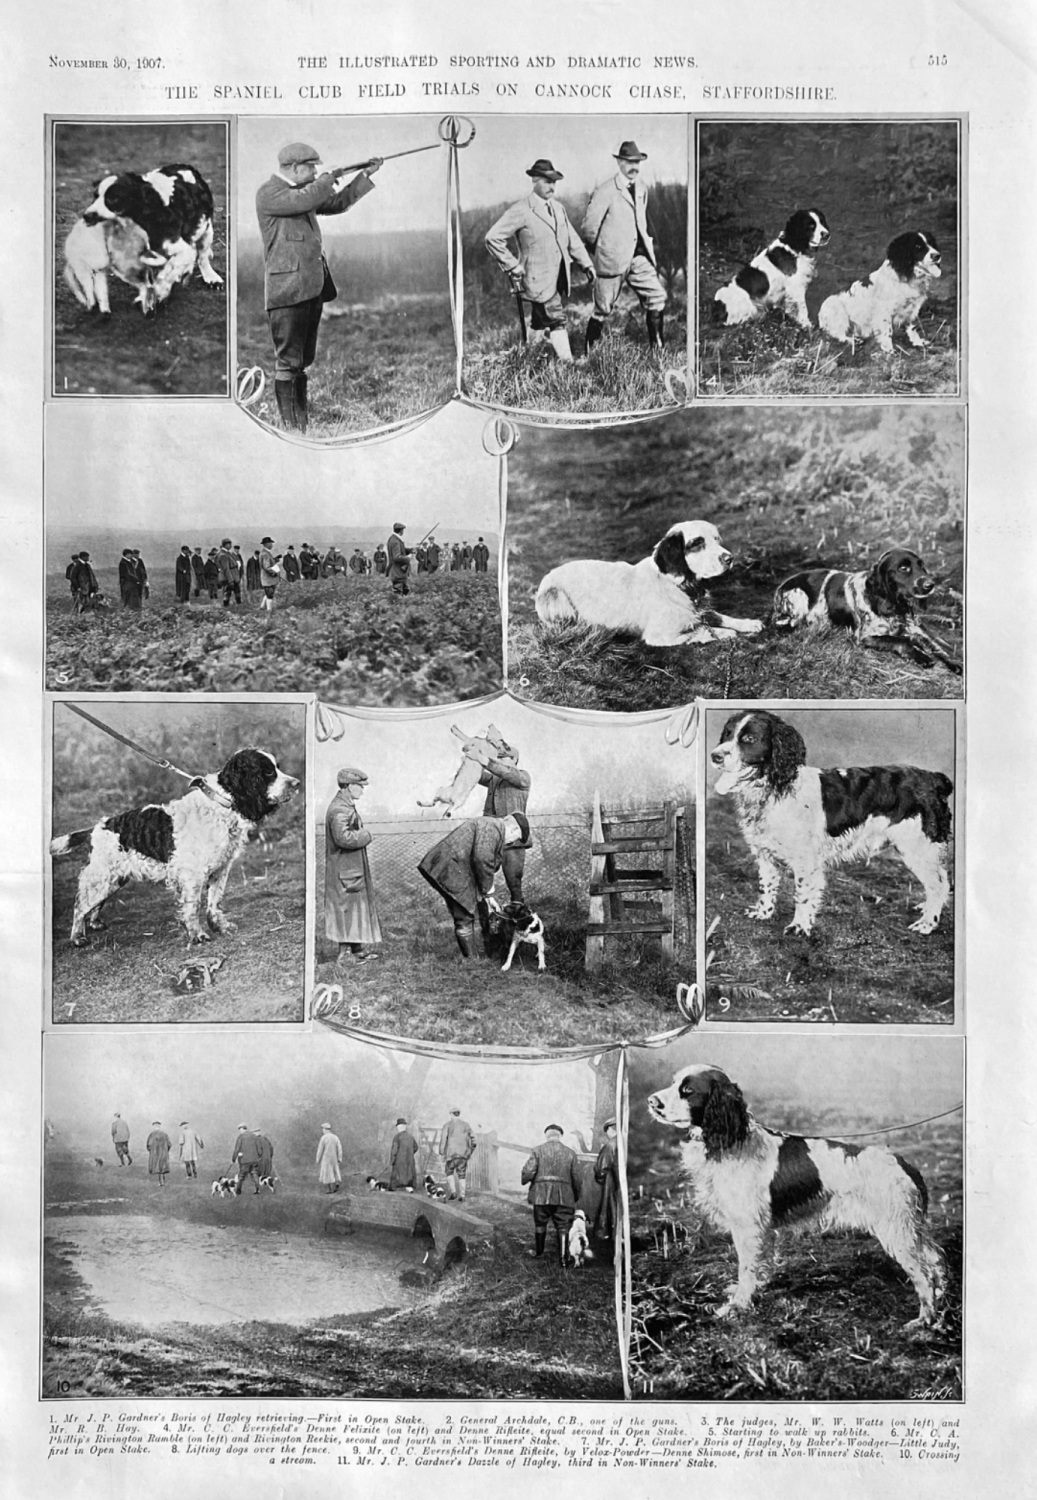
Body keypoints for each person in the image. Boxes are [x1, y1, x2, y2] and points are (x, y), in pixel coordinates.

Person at [255, 142, 383, 433]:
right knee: (288, 362)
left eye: (315, 168)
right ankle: (291, 429)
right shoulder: (270, 192)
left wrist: (363, 176)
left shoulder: (305, 192)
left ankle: (301, 424)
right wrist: (328, 178)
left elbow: (336, 203)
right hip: (286, 289)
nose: (314, 171)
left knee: (301, 361)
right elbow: (305, 199)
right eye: (310, 167)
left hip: (311, 286)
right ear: (294, 168)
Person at [485, 158, 596, 363]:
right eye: (546, 181)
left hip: (558, 278)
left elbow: (572, 239)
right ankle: (569, 365)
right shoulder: (521, 209)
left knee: (539, 321)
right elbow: (493, 238)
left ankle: (527, 358)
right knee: (556, 318)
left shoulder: (558, 208)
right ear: (534, 180)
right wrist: (512, 265)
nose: (551, 186)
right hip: (535, 279)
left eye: (554, 181)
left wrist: (587, 264)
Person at [582, 140, 668, 352]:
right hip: (612, 261)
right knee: (602, 310)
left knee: (657, 297)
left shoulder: (641, 188)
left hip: (638, 257)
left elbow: (641, 222)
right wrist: (602, 252)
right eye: (629, 162)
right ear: (619, 162)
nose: (634, 167)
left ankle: (657, 350)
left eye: (637, 162)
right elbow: (588, 229)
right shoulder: (605, 191)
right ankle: (589, 353)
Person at [417, 812, 533, 958]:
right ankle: (473, 962)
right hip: (449, 868)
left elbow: (479, 860)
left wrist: (488, 897)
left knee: (465, 913)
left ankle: (473, 959)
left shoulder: (491, 825)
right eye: (513, 840)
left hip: (447, 866)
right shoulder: (493, 827)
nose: (509, 843)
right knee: (464, 915)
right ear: (514, 829)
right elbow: (482, 859)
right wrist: (489, 893)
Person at [325, 767, 382, 965]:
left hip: (349, 869)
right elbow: (344, 839)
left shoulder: (345, 805)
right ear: (349, 787)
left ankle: (356, 949)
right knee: (346, 909)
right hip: (346, 870)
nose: (362, 790)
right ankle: (345, 955)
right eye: (359, 786)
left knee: (355, 908)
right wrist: (366, 835)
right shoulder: (340, 809)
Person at [468, 733, 531, 901]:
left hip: (513, 841)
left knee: (514, 884)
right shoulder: (494, 780)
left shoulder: (523, 777)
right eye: (499, 759)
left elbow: (504, 772)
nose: (500, 762)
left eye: (504, 759)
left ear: (514, 760)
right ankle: (488, 920)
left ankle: (519, 918)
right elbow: (478, 774)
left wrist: (483, 759)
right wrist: (470, 757)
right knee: (481, 880)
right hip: (491, 839)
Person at [521, 1124, 583, 1260]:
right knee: (563, 1226)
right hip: (565, 1196)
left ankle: (539, 1253)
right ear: (560, 1136)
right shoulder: (570, 1153)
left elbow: (528, 1172)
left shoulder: (537, 1150)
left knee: (540, 1223)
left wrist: (524, 1180)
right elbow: (577, 1178)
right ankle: (563, 1259)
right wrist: (575, 1195)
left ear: (547, 1135)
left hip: (541, 1195)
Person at [438, 1107, 477, 1203]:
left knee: (449, 1172)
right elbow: (474, 1140)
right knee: (462, 1175)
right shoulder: (466, 1125)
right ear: (459, 1114)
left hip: (451, 1155)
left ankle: (453, 1192)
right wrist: (469, 1151)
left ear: (451, 1114)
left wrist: (441, 1151)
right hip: (463, 1155)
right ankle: (462, 1196)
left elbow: (443, 1140)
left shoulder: (447, 1125)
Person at [592, 1118, 619, 1253]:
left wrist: (600, 1179)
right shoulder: (627, 1141)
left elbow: (601, 1169)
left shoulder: (610, 1146)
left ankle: (611, 1248)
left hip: (612, 1185)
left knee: (611, 1212)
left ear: (610, 1129)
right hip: (624, 1185)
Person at [233, 1123, 264, 1195]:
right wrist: (259, 1156)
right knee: (255, 1175)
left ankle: (238, 1190)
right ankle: (258, 1190)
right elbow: (259, 1148)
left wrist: (234, 1158)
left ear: (242, 1128)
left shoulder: (241, 1137)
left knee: (241, 1176)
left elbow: (237, 1149)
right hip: (254, 1160)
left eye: (239, 1129)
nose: (239, 1131)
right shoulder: (254, 1136)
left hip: (244, 1160)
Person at [389, 1118, 419, 1192]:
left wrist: (392, 1161)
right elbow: (416, 1147)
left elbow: (394, 1151)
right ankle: (410, 1187)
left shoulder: (397, 1137)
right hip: (409, 1160)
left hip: (399, 1160)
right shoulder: (410, 1137)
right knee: (409, 1173)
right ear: (405, 1126)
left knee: (397, 1174)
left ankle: (393, 1188)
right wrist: (410, 1153)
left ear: (399, 1127)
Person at [386, 522, 413, 598]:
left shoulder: (394, 539)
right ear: (401, 531)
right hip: (398, 572)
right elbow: (397, 557)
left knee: (406, 591)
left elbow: (401, 550)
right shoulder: (395, 541)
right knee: (398, 594)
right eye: (403, 530)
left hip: (400, 572)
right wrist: (408, 557)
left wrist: (411, 550)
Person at [316, 1122, 342, 1194]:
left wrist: (318, 1159)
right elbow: (339, 1148)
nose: (322, 1130)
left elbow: (320, 1149)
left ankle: (329, 1189)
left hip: (326, 1157)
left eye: (323, 1129)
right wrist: (339, 1158)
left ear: (325, 1129)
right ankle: (336, 1184)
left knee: (327, 1172)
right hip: (334, 1157)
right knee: (335, 1170)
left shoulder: (323, 1138)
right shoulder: (335, 1137)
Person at [259, 536, 281, 614]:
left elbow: (268, 563)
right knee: (270, 594)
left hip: (268, 578)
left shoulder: (266, 553)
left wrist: (276, 559)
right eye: (270, 543)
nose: (271, 545)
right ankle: (269, 611)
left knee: (268, 592)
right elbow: (267, 567)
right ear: (266, 544)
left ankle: (262, 607)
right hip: (268, 578)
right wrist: (274, 572)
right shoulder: (265, 554)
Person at [218, 537, 243, 607]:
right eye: (229, 544)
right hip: (229, 577)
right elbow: (226, 569)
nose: (230, 546)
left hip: (233, 576)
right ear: (225, 545)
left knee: (237, 591)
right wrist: (230, 580)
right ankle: (226, 606)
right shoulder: (223, 555)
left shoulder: (227, 553)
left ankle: (239, 605)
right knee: (227, 592)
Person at [147, 1121, 172, 1188]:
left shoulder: (152, 1134)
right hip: (163, 1153)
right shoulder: (164, 1134)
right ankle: (163, 1180)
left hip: (155, 1154)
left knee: (157, 1167)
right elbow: (169, 1144)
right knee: (162, 1167)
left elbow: (148, 1145)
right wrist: (166, 1150)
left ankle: (160, 1182)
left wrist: (151, 1151)